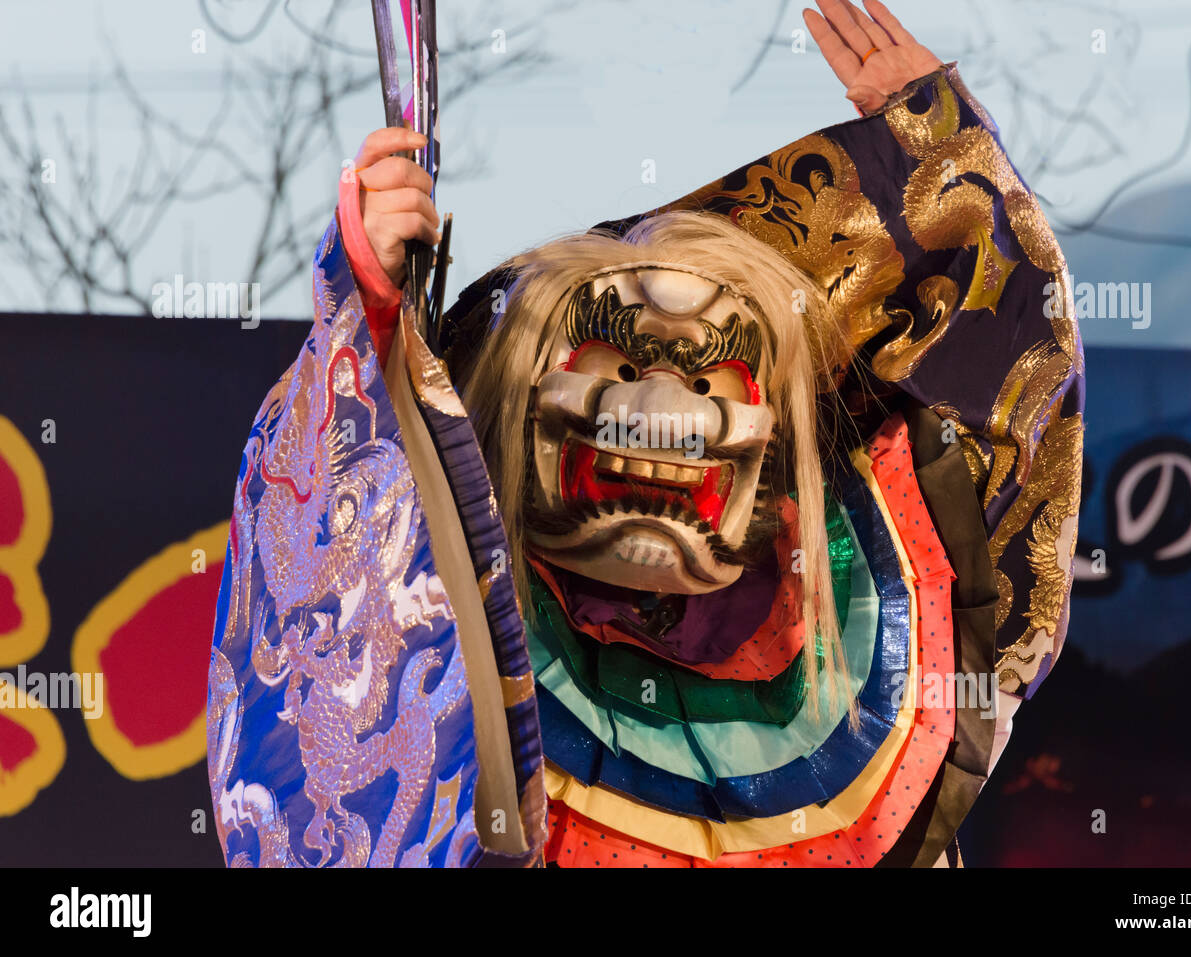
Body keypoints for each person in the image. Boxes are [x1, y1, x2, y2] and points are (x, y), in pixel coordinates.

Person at [208, 0, 1084, 868]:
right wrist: (368, 303)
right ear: (523, 402)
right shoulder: (436, 631)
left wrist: (954, 184)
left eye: (707, 376)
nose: (665, 406)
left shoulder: (878, 647)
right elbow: (329, 561)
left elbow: (1009, 426)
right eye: (618, 365)